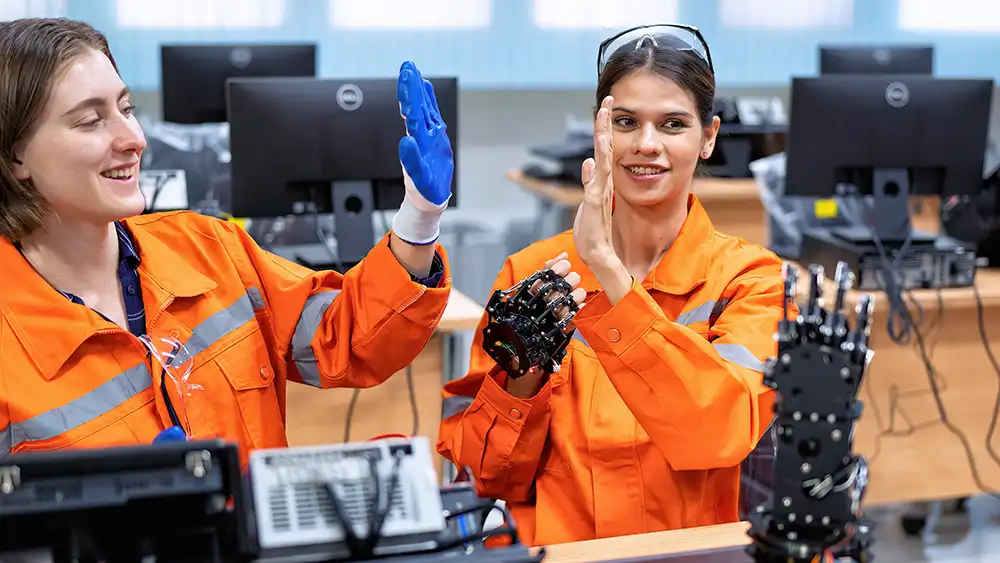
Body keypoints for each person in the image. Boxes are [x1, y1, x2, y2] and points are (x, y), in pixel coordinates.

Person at [0, 18, 455, 467]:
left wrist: (418, 218)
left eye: (126, 109)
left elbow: (351, 337)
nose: (133, 139)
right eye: (91, 121)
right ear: (15, 153)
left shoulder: (208, 249)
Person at [438, 24, 789, 545]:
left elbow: (718, 431)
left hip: (682, 556)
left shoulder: (752, 280)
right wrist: (521, 382)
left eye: (673, 124)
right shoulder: (531, 274)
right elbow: (485, 476)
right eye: (626, 122)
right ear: (599, 131)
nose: (646, 145)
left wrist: (605, 266)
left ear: (709, 137)